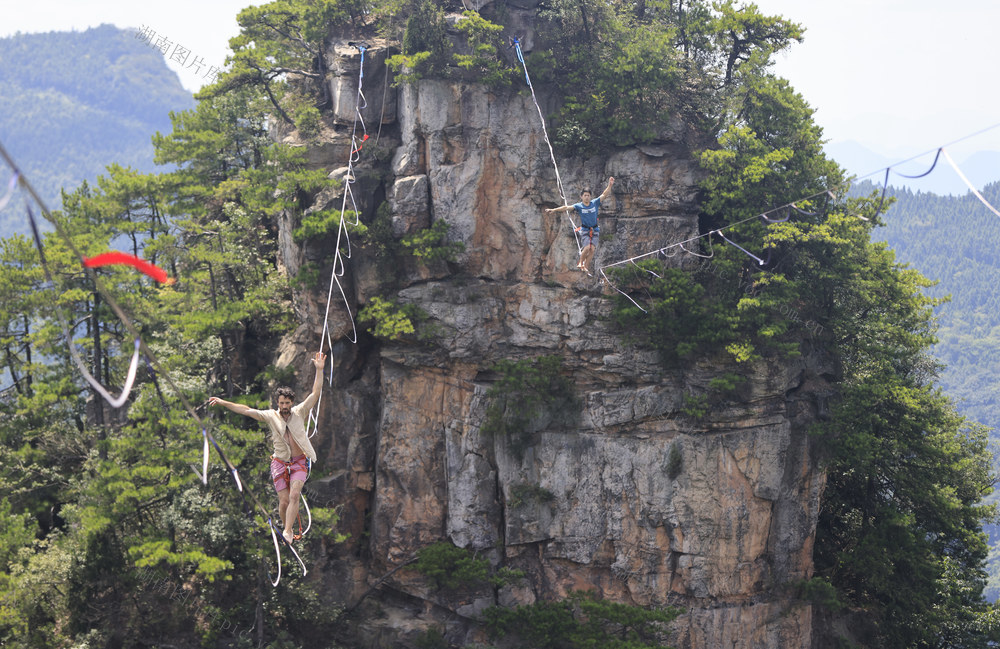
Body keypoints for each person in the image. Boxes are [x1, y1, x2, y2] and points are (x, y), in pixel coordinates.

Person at [209, 351, 327, 544]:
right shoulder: (270, 415)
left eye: (287, 403)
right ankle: (285, 526)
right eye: (281, 403)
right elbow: (246, 410)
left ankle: (288, 531)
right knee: (284, 502)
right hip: (279, 462)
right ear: (277, 403)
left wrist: (319, 370)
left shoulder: (300, 412)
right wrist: (223, 402)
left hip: (299, 462)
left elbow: (316, 393)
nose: (284, 406)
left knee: (295, 494)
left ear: (292, 402)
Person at [545, 176, 614, 273]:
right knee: (587, 248)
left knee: (592, 250)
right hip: (585, 230)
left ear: (590, 196)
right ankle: (580, 263)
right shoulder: (579, 206)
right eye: (585, 195)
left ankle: (585, 266)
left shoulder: (594, 203)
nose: (587, 197)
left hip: (595, 230)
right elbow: (566, 208)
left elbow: (604, 194)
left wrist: (609, 185)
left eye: (588, 195)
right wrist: (554, 210)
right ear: (581, 197)